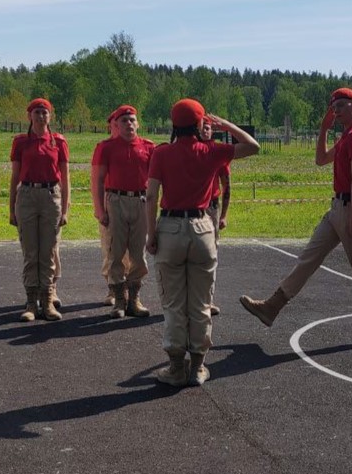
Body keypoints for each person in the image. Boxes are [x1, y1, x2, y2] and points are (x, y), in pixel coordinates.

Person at [240, 87, 352, 345]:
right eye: (334, 108)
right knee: (308, 259)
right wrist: (323, 129)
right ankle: (272, 307)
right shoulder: (346, 137)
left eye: (342, 105)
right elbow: (321, 159)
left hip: (351, 209)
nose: (337, 111)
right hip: (337, 209)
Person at [146, 99, 260, 387]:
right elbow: (253, 146)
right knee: (200, 304)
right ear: (199, 124)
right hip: (202, 228)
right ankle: (198, 366)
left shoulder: (162, 153)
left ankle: (176, 367)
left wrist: (150, 234)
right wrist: (226, 125)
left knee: (174, 303)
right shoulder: (212, 151)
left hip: (170, 228)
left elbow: (151, 196)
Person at [9, 98, 70, 322]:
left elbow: (65, 178)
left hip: (50, 196)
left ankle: (47, 301)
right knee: (30, 252)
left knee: (48, 252)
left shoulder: (58, 142)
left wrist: (65, 209)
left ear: (50, 116)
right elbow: (15, 176)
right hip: (26, 195)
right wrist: (11, 208)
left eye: (45, 113)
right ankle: (31, 303)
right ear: (29, 116)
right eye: (37, 112)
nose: (41, 116)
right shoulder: (21, 142)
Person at [93, 104, 156, 319]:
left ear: (138, 124)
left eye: (132, 120)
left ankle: (134, 299)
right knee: (116, 252)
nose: (129, 124)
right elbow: (99, 180)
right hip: (116, 200)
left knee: (138, 253)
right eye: (124, 121)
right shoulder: (106, 147)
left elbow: (155, 180)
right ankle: (119, 299)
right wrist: (101, 210)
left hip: (140, 201)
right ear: (116, 125)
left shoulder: (149, 147)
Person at [91, 111, 131, 307]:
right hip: (111, 199)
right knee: (110, 246)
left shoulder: (137, 145)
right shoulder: (104, 147)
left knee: (132, 250)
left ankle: (129, 288)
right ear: (111, 126)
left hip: (132, 201)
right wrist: (99, 209)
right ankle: (113, 288)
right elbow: (95, 180)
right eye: (116, 124)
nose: (119, 127)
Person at [200, 117, 231, 316]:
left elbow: (227, 186)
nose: (205, 131)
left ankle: (207, 300)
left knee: (210, 255)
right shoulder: (187, 151)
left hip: (211, 208)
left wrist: (223, 215)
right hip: (192, 209)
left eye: (208, 128)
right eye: (201, 127)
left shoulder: (218, 154)